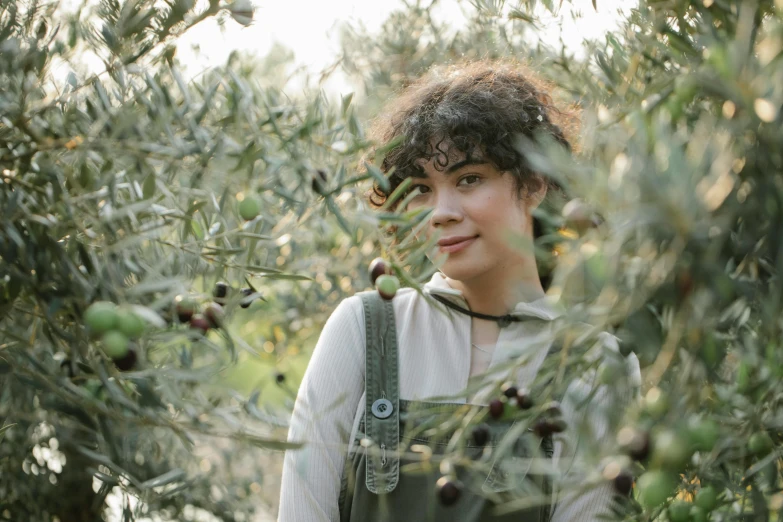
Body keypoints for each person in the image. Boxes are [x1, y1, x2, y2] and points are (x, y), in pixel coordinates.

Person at [279, 60, 641, 522]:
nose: (440, 212)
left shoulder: (597, 366)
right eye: (421, 188)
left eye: (469, 179)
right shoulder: (363, 330)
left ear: (532, 184)